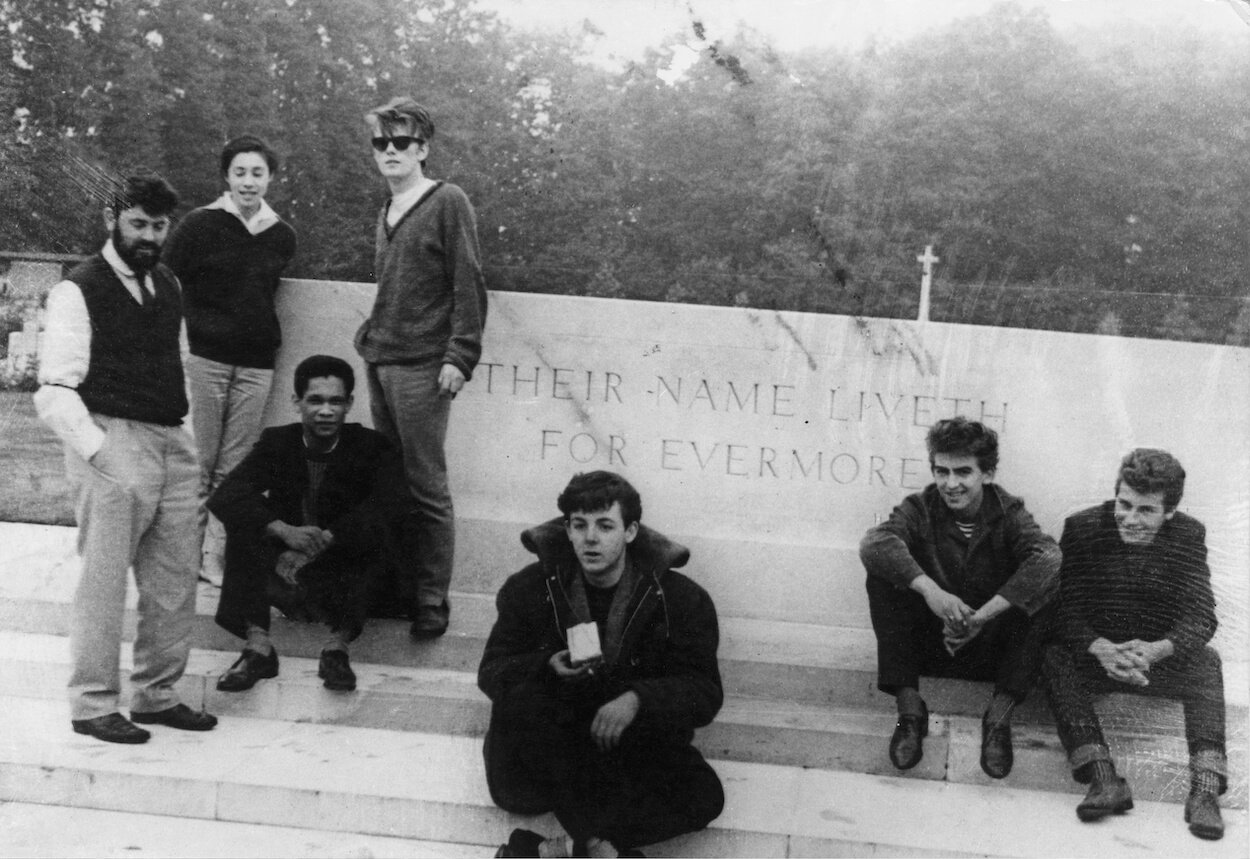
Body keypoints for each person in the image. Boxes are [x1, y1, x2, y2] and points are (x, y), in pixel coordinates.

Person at [35, 173, 217, 743]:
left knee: (173, 581)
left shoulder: (168, 284)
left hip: (171, 442)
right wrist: (101, 451)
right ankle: (92, 704)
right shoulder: (78, 288)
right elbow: (54, 389)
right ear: (112, 219)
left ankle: (157, 695)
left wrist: (185, 438)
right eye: (137, 223)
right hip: (111, 438)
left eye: (159, 226)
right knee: (105, 580)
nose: (148, 236)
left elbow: (178, 364)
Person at [479, 471, 724, 858]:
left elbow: (705, 692)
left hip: (623, 746)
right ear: (568, 530)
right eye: (580, 525)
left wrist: (637, 699)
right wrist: (546, 668)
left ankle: (540, 852)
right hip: (549, 752)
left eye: (605, 526)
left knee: (705, 796)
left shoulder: (680, 599)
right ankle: (598, 849)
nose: (591, 538)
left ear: (630, 531)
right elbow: (492, 672)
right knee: (535, 707)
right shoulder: (530, 587)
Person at [1041, 449, 1226, 840]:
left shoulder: (1188, 535)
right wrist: (1099, 647)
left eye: (1146, 510)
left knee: (1207, 662)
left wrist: (1158, 649)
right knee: (1054, 655)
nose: (1130, 518)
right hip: (1099, 658)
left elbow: (1202, 616)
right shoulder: (1083, 528)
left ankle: (1205, 792)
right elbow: (1063, 610)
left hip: (1153, 661)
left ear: (1168, 513)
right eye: (1124, 505)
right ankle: (1103, 778)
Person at [860, 416, 1059, 778]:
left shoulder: (1009, 512)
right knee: (883, 576)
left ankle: (998, 719)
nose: (950, 484)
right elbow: (875, 543)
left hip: (990, 649)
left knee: (1045, 588)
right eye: (941, 471)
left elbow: (1048, 558)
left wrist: (982, 617)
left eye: (963, 472)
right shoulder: (920, 507)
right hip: (935, 644)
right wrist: (930, 591)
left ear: (987, 473)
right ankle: (910, 713)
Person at [356, 96, 487, 640]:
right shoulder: (383, 212)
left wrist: (460, 356)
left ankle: (432, 598)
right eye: (381, 143)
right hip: (380, 360)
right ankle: (399, 587)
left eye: (401, 142)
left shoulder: (447, 200)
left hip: (424, 366)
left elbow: (469, 281)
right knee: (391, 484)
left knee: (426, 485)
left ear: (423, 149)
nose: (390, 151)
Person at [207, 355, 406, 692]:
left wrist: (328, 538)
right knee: (247, 516)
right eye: (315, 400)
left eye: (335, 401)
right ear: (297, 402)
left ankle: (337, 649)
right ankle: (258, 648)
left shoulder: (371, 446)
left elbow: (393, 504)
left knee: (380, 527)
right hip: (284, 566)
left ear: (349, 405)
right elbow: (227, 494)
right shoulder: (278, 441)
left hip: (340, 569)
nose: (325, 411)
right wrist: (283, 531)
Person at [162, 135, 298, 587]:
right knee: (198, 464)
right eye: (240, 172)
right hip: (205, 359)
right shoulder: (198, 225)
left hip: (256, 365)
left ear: (270, 178)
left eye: (257, 173)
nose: (248, 181)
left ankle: (214, 558)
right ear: (226, 176)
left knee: (235, 469)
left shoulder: (281, 234)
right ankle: (183, 555)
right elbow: (165, 282)